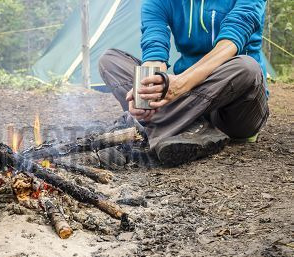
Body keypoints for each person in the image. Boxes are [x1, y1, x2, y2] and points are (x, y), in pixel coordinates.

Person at [99, 0, 269, 166]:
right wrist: (146, 92)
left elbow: (230, 43)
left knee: (247, 67)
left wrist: (180, 84)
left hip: (233, 107)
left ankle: (163, 126)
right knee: (110, 61)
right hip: (189, 97)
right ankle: (193, 129)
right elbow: (154, 50)